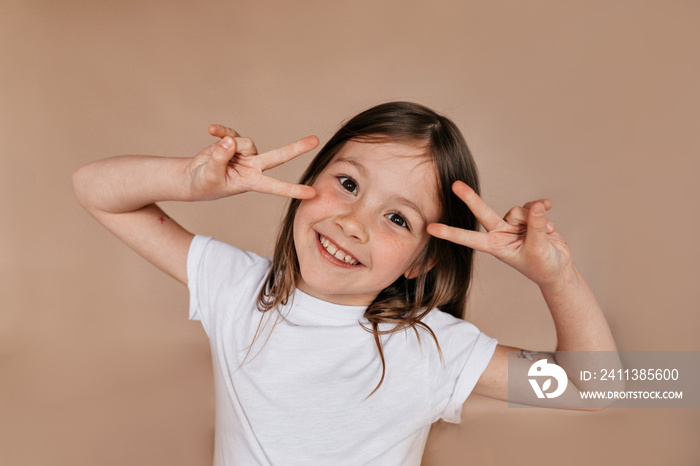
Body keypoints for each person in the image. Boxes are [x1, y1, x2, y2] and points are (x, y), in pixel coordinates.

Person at [72, 101, 618, 465]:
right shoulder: (237, 287)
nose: (354, 223)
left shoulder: (430, 347)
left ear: (422, 263)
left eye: (397, 218)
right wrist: (190, 181)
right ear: (308, 181)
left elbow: (602, 390)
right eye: (348, 183)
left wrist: (557, 277)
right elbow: (93, 188)